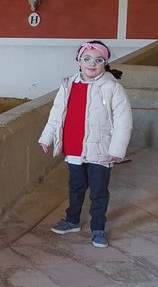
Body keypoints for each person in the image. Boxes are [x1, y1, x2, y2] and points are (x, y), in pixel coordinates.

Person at [38, 40, 133, 248]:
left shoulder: (112, 88)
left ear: (105, 63)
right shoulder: (68, 85)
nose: (92, 63)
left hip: (101, 150)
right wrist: (47, 137)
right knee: (76, 187)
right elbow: (56, 114)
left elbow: (124, 122)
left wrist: (117, 150)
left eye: (98, 60)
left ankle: (98, 228)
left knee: (99, 191)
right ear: (79, 61)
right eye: (87, 59)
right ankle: (72, 221)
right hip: (74, 148)